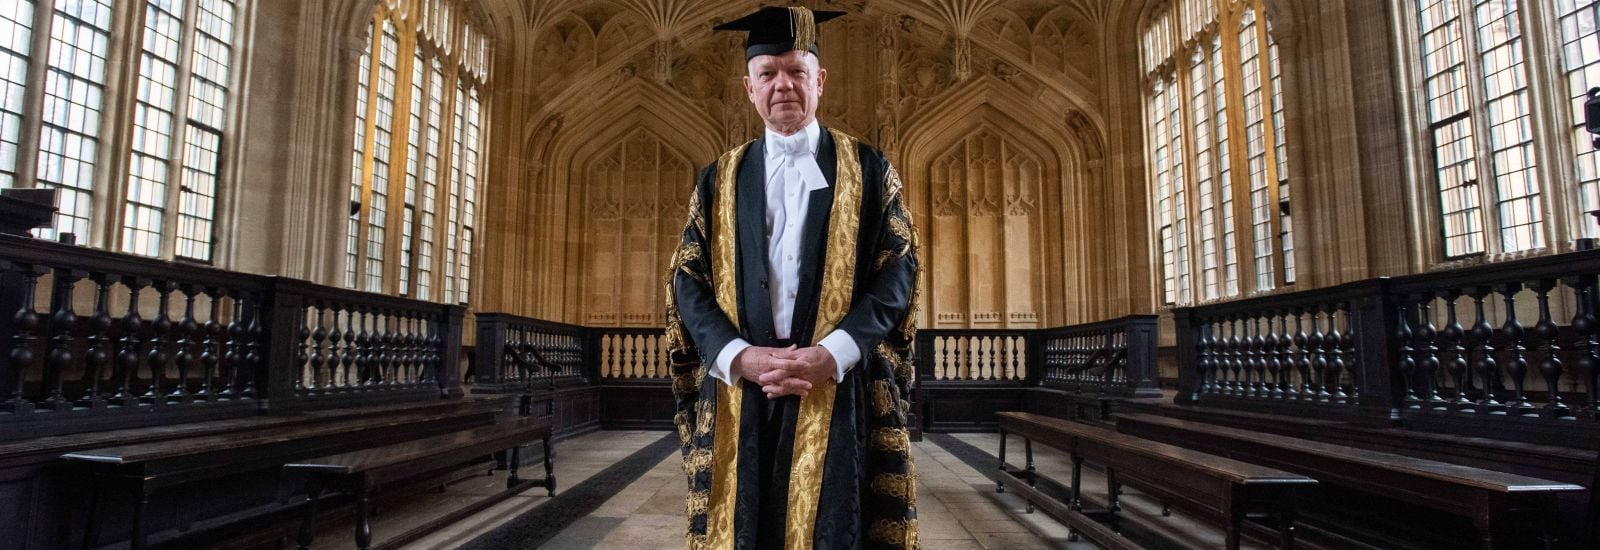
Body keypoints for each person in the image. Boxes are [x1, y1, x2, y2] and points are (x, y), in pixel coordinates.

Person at [663, 6, 921, 549]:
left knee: (832, 528)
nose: (783, 85)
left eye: (796, 71)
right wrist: (735, 355)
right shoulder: (719, 179)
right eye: (768, 73)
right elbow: (688, 280)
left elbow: (898, 271)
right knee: (743, 530)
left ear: (819, 80)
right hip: (742, 389)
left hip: (834, 385)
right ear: (748, 88)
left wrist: (837, 350)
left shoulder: (870, 170)